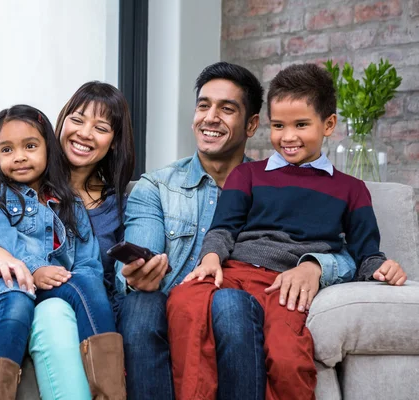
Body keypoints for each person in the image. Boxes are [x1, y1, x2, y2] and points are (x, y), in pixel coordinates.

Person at [115, 62, 357, 400]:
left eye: (226, 109)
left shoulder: (277, 187)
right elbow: (139, 253)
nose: (210, 117)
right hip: (176, 313)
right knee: (143, 305)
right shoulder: (156, 186)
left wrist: (314, 266)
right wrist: (136, 274)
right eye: (204, 105)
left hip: (244, 311)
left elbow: (344, 249)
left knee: (231, 304)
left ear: (252, 124)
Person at [166, 63, 408, 400]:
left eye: (301, 125)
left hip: (288, 286)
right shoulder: (247, 175)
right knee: (184, 300)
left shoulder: (351, 190)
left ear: (329, 124)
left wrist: (383, 268)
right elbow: (224, 229)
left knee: (287, 357)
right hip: (235, 273)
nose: (288, 136)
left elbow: (365, 254)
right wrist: (210, 258)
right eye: (278, 126)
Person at [0, 82, 135, 400]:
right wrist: (35, 267)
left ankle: (111, 391)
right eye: (78, 119)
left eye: (100, 127)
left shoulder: (83, 203)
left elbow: (88, 263)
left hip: (59, 301)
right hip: (6, 289)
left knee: (87, 286)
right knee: (15, 300)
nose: (85, 133)